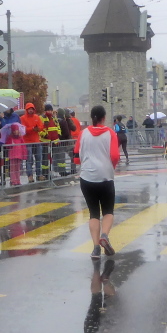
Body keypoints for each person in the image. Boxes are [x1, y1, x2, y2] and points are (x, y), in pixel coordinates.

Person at [74, 105, 120, 259]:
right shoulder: (110, 133)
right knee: (108, 211)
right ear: (104, 118)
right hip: (105, 177)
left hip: (87, 177)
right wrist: (111, 167)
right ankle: (104, 236)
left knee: (93, 213)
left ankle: (95, 249)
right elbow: (115, 156)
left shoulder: (83, 133)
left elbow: (76, 157)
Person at [20, 103, 44, 182]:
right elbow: (23, 129)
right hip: (28, 142)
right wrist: (32, 129)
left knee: (38, 159)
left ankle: (39, 174)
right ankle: (30, 175)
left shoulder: (37, 117)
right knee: (29, 159)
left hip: (36, 141)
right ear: (26, 110)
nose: (31, 110)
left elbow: (41, 126)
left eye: (32, 109)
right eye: (29, 109)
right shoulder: (23, 118)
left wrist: (38, 129)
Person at [39, 104, 61, 179]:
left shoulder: (54, 118)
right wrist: (44, 135)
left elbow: (58, 127)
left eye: (51, 110)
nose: (50, 112)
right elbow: (40, 129)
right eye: (48, 110)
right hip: (45, 141)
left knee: (53, 158)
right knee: (45, 158)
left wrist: (59, 134)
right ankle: (45, 173)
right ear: (45, 111)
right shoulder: (42, 118)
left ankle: (52, 172)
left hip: (54, 141)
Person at [56, 108, 73, 175]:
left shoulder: (56, 121)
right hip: (63, 142)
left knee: (57, 157)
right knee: (62, 158)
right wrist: (66, 139)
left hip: (56, 141)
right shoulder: (63, 121)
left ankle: (58, 171)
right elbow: (66, 133)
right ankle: (63, 172)